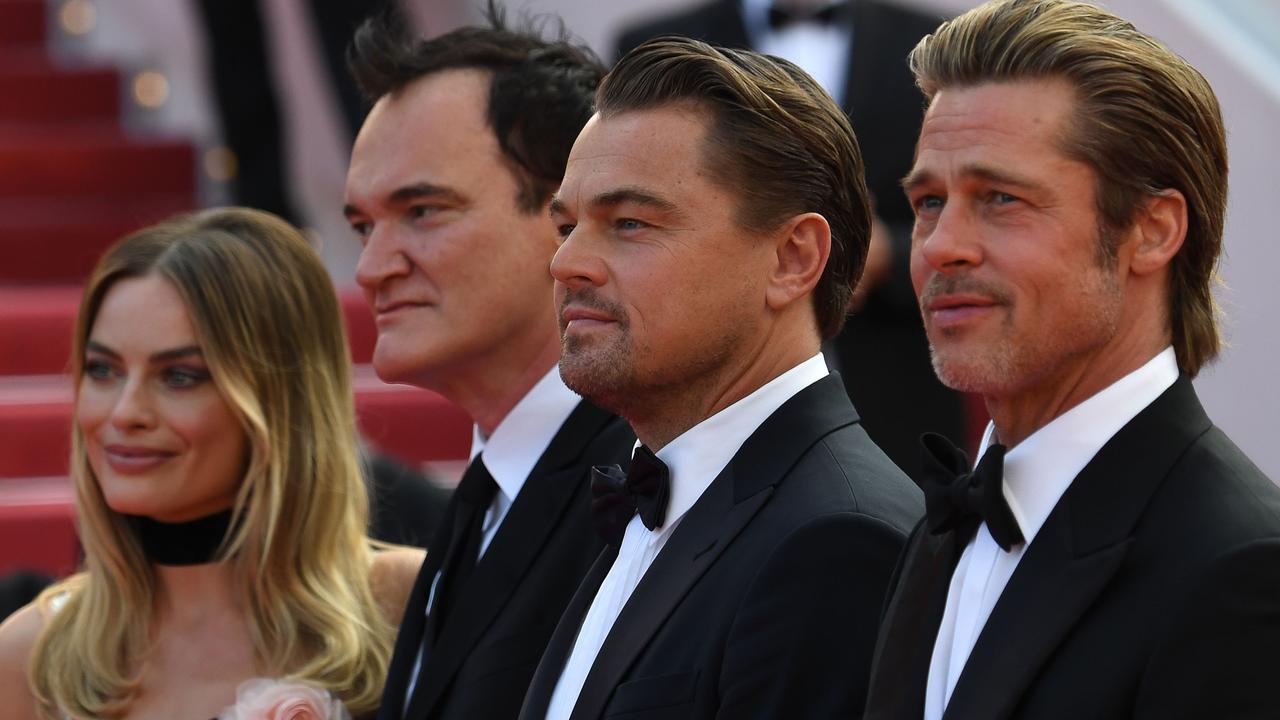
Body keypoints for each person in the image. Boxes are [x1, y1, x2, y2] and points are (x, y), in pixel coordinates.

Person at [863, 2, 1280, 718]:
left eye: (1000, 198)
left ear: (1152, 231)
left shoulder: (1239, 568)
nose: (938, 246)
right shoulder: (944, 521)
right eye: (929, 201)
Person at [517, 37, 922, 720]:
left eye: (630, 223)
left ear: (793, 258)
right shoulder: (649, 500)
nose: (567, 264)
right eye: (567, 225)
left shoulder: (838, 541)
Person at [0, 207, 423, 719]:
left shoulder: (404, 604)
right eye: (102, 370)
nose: (125, 412)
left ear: (279, 399)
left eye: (179, 376)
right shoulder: (28, 659)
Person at [342, 10, 635, 720]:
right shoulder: (486, 495)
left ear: (567, 218)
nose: (372, 267)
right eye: (362, 224)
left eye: (422, 211)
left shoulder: (641, 495)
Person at [616, 0, 967, 479]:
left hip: (894, 395)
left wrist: (888, 252)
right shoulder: (654, 45)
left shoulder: (936, 43)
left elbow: (971, 208)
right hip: (708, 404)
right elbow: (623, 210)